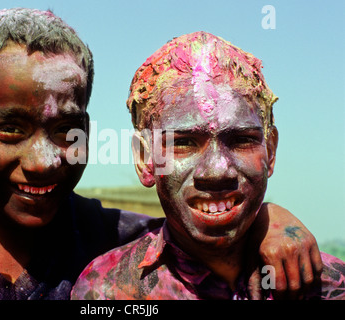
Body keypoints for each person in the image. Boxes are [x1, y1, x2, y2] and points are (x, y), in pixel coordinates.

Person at [0, 10, 321, 300]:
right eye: (10, 130)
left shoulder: (111, 238)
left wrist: (268, 220)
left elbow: (200, 223)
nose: (43, 160)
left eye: (66, 131)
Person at [71, 32, 345, 300]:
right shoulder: (109, 292)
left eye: (240, 140)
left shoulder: (325, 286)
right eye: (184, 142)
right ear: (145, 158)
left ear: (270, 151)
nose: (216, 171)